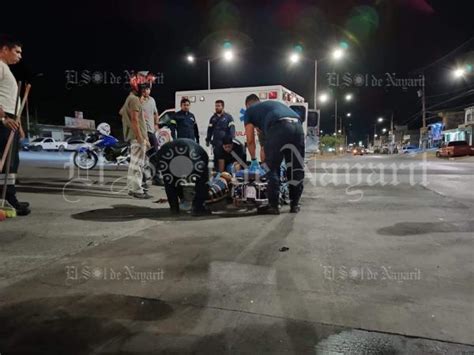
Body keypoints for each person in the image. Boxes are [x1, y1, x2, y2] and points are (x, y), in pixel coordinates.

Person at [243, 94, 305, 214]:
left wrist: (254, 160)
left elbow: (250, 140)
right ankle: (295, 205)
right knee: (295, 168)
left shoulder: (250, 111)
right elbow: (263, 143)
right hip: (298, 127)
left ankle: (273, 206)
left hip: (279, 127)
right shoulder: (268, 107)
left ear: (247, 105)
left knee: (271, 169)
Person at [0, 35, 30, 216]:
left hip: (11, 119)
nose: (20, 56)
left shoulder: (5, 69)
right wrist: (3, 118)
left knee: (12, 162)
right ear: (4, 49)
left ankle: (8, 196)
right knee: (7, 162)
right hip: (4, 120)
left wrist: (19, 124)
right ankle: (8, 198)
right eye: (17, 51)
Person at [154, 139, 210, 216]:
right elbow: (203, 184)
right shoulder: (202, 157)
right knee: (202, 180)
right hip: (187, 154)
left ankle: (174, 209)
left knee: (170, 181)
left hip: (166, 152)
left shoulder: (200, 155)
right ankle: (199, 208)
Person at [119, 72, 152, 199]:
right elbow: (135, 120)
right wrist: (141, 138)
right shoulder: (134, 100)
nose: (145, 91)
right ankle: (138, 190)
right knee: (138, 164)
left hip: (134, 136)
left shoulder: (130, 98)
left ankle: (132, 188)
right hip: (138, 137)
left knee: (134, 164)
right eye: (143, 88)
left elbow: (121, 112)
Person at [205, 100, 235, 166]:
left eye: (218, 106)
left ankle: (226, 174)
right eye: (216, 106)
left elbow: (232, 128)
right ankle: (217, 174)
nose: (217, 107)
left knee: (226, 161)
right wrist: (208, 139)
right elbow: (209, 130)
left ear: (223, 107)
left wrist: (232, 139)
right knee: (217, 161)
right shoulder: (212, 118)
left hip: (225, 144)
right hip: (216, 143)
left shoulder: (228, 117)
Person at [140, 83, 159, 152]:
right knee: (144, 151)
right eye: (144, 89)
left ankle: (153, 162)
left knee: (155, 149)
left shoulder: (152, 100)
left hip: (151, 130)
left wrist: (156, 124)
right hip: (142, 131)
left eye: (148, 89)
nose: (146, 91)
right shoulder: (138, 101)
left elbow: (155, 112)